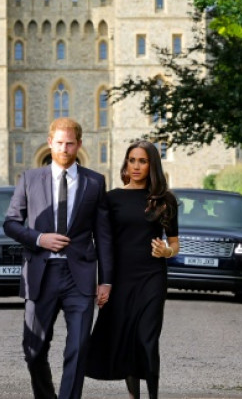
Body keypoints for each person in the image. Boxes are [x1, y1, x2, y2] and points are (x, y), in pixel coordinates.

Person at [3, 117, 113, 399]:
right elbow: (11, 223)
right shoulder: (29, 179)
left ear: (79, 144)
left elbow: (103, 235)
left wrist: (106, 281)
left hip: (80, 276)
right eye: (60, 142)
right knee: (33, 349)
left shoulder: (95, 182)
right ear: (50, 142)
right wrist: (40, 238)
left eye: (70, 143)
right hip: (42, 274)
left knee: (78, 347)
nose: (65, 148)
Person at [85, 140, 179, 399]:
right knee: (127, 338)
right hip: (122, 278)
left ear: (152, 165)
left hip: (152, 276)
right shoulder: (112, 198)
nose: (136, 166)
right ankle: (133, 396)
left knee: (147, 339)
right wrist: (104, 281)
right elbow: (104, 243)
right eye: (132, 160)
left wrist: (167, 252)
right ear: (126, 163)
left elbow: (174, 243)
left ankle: (152, 395)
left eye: (143, 161)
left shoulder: (164, 200)